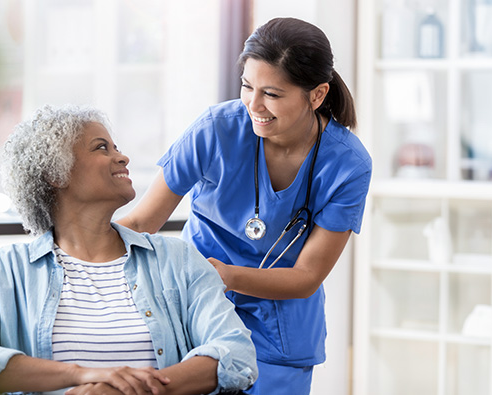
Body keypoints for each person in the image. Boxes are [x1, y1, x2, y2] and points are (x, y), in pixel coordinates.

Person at [118, 17, 372, 395]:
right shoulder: (215, 129)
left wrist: (224, 275)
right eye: (247, 86)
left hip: (278, 334)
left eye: (272, 94)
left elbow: (307, 276)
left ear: (317, 95)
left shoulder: (347, 165)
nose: (254, 105)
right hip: (196, 315)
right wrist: (72, 248)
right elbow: (142, 220)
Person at [0, 104, 258, 395]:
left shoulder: (178, 260)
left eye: (115, 147)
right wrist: (79, 375)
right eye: (101, 147)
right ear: (55, 174)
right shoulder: (4, 270)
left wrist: (125, 391)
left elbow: (237, 352)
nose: (122, 157)